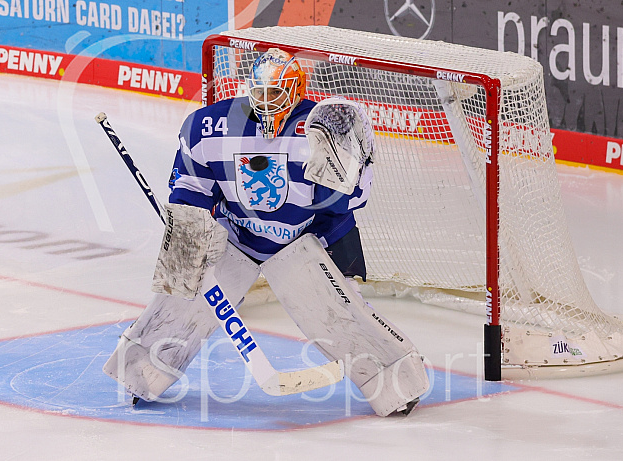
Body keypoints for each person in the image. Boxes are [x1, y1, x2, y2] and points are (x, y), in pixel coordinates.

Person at [102, 48, 429, 416]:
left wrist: (347, 176)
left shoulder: (324, 130)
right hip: (235, 236)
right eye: (260, 91)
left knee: (339, 315)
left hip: (307, 239)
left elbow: (346, 204)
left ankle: (398, 385)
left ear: (297, 89)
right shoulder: (209, 125)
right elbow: (191, 189)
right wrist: (189, 239)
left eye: (276, 92)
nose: (266, 101)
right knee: (182, 298)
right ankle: (140, 375)